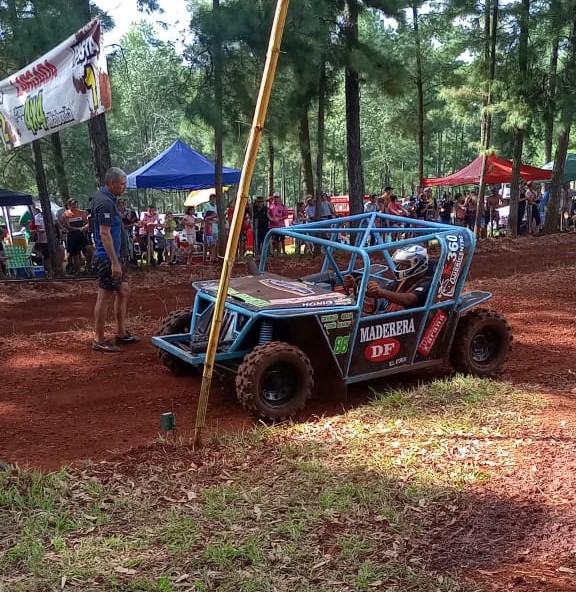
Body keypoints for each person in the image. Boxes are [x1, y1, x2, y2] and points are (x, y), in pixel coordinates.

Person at [91, 167, 140, 353]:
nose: (124, 187)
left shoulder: (107, 199)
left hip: (115, 256)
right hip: (107, 257)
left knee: (123, 290)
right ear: (112, 183)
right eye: (122, 184)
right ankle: (99, 339)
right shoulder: (105, 203)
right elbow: (104, 234)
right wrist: (114, 262)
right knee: (104, 296)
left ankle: (121, 332)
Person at [345, 245, 432, 313]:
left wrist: (382, 292)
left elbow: (410, 299)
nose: (399, 267)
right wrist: (356, 286)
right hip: (391, 318)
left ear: (418, 264)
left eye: (404, 264)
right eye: (399, 264)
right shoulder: (403, 281)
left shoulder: (427, 282)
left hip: (407, 322)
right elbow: (376, 293)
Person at [63, 198, 90, 273]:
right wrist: (79, 229)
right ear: (68, 205)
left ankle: (88, 266)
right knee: (75, 255)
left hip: (81, 235)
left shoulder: (81, 212)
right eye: (72, 204)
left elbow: (87, 222)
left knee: (89, 248)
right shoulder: (66, 214)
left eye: (75, 204)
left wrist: (85, 227)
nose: (74, 205)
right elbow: (68, 226)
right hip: (72, 236)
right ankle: (78, 271)